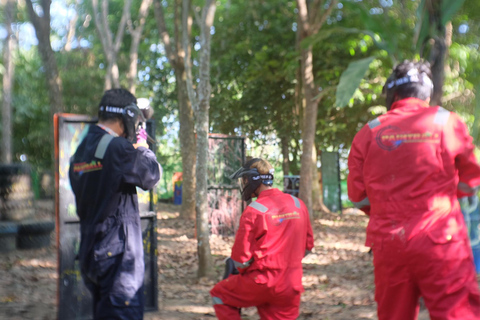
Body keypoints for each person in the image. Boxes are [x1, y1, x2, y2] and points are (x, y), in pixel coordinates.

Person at [348, 60, 480, 320]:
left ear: (392, 94)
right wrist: (453, 197)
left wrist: (387, 210)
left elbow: (358, 196)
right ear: (427, 93)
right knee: (456, 312)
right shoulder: (446, 122)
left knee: (394, 314)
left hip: (389, 241)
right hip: (442, 239)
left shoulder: (368, 132)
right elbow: (471, 179)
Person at [69, 88, 161, 320]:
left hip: (91, 252)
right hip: (117, 259)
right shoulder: (116, 149)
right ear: (128, 117)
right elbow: (150, 175)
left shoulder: (81, 151)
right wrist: (142, 147)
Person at [210, 158, 314, 320]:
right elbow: (308, 246)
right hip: (292, 283)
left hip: (262, 281)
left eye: (245, 180)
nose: (244, 184)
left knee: (219, 294)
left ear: (252, 180)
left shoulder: (254, 210)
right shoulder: (298, 204)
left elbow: (241, 261)